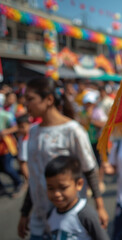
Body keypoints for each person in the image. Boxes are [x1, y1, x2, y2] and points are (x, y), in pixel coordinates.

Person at [17, 78, 109, 240]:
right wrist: (25, 213)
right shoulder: (32, 132)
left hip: (68, 221)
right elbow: (35, 178)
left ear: (49, 100)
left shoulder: (73, 131)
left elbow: (89, 169)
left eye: (31, 99)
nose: (26, 105)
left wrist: (99, 206)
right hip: (39, 221)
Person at [45, 155, 109, 240]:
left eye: (63, 187)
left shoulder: (86, 215)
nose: (56, 194)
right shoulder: (50, 214)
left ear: (79, 184)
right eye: (51, 188)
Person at [16, 114, 30, 182]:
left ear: (29, 125)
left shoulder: (27, 139)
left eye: (23, 127)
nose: (21, 129)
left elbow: (23, 162)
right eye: (19, 127)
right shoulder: (22, 138)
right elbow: (22, 162)